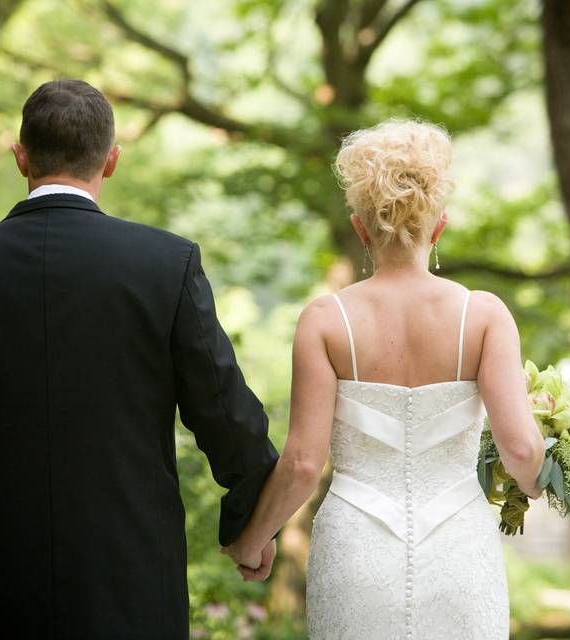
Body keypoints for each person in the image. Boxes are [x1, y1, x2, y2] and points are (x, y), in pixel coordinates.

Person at [0, 79, 280, 640]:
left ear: (20, 158)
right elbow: (226, 415)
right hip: (132, 590)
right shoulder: (166, 266)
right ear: (111, 161)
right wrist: (251, 524)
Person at [221, 119, 546, 638]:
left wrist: (253, 539)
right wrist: (543, 483)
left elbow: (304, 464)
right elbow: (523, 453)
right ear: (437, 227)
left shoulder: (326, 321)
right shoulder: (483, 316)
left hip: (355, 553)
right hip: (460, 552)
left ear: (360, 227)